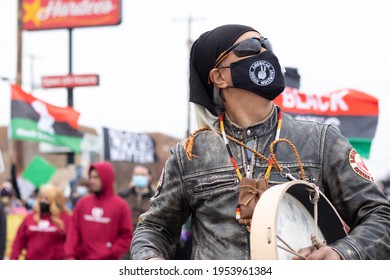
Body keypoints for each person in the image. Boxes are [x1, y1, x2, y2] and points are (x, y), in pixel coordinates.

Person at [130, 24, 390, 260]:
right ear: (219, 77)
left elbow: (381, 217)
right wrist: (151, 262)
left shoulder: (322, 141)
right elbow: (154, 229)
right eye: (251, 47)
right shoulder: (189, 154)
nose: (265, 51)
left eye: (266, 45)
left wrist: (341, 253)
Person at [64, 161, 133, 260]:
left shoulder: (121, 206)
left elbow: (126, 236)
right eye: (91, 177)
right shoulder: (82, 203)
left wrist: (111, 253)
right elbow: (73, 231)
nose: (92, 181)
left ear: (107, 178)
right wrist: (70, 255)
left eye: (96, 177)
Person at [10, 184, 71, 260]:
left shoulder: (65, 219)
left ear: (55, 201)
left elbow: (72, 243)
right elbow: (18, 242)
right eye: (41, 198)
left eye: (46, 198)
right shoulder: (30, 218)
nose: (42, 201)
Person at [118, 164, 155, 232]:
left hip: (146, 237)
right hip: (127, 236)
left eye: (143, 175)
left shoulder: (155, 198)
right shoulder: (123, 195)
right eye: (137, 174)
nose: (139, 177)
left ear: (149, 177)